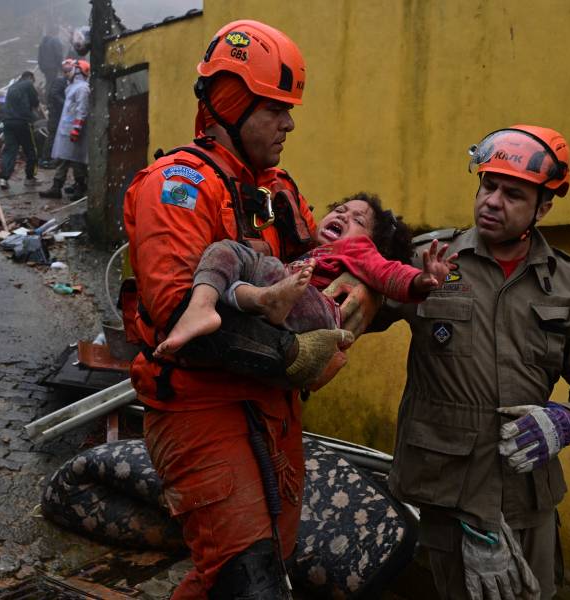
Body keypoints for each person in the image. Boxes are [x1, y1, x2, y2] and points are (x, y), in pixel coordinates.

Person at [123, 20, 363, 599]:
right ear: (230, 103)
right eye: (275, 108)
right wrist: (297, 354)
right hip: (202, 410)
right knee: (248, 582)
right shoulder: (176, 186)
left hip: (272, 409)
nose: (290, 123)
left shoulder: (275, 190)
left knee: (255, 570)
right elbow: (185, 320)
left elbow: (319, 271)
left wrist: (369, 282)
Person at [372, 125, 570, 599]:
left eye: (512, 194)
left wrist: (567, 420)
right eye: (488, 186)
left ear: (543, 208)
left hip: (528, 495)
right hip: (449, 494)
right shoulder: (429, 258)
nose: (492, 201)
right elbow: (350, 314)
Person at [155, 192, 456, 356]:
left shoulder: (358, 250)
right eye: (339, 209)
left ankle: (261, 299)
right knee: (227, 258)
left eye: (357, 219)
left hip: (319, 313)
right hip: (281, 306)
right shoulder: (308, 253)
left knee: (251, 265)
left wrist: (421, 281)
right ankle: (212, 306)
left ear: (372, 242)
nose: (342, 215)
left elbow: (390, 274)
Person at [39, 59, 90, 200]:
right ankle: (57, 188)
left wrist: (76, 128)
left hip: (75, 131)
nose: (66, 72)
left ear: (78, 70)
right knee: (64, 158)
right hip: (67, 129)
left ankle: (79, 188)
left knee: (77, 161)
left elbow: (82, 110)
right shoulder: (72, 87)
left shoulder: (82, 88)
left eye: (69, 69)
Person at [0, 71, 39, 191]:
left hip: (8, 122)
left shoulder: (12, 87)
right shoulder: (28, 84)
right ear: (30, 78)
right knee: (31, 149)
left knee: (10, 150)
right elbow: (35, 101)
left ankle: (4, 179)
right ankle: (30, 178)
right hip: (23, 122)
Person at [38, 59, 69, 169]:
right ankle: (45, 159)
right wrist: (66, 104)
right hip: (55, 114)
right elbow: (54, 94)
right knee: (53, 136)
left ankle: (51, 158)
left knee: (55, 136)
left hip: (58, 114)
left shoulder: (65, 82)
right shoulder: (60, 81)